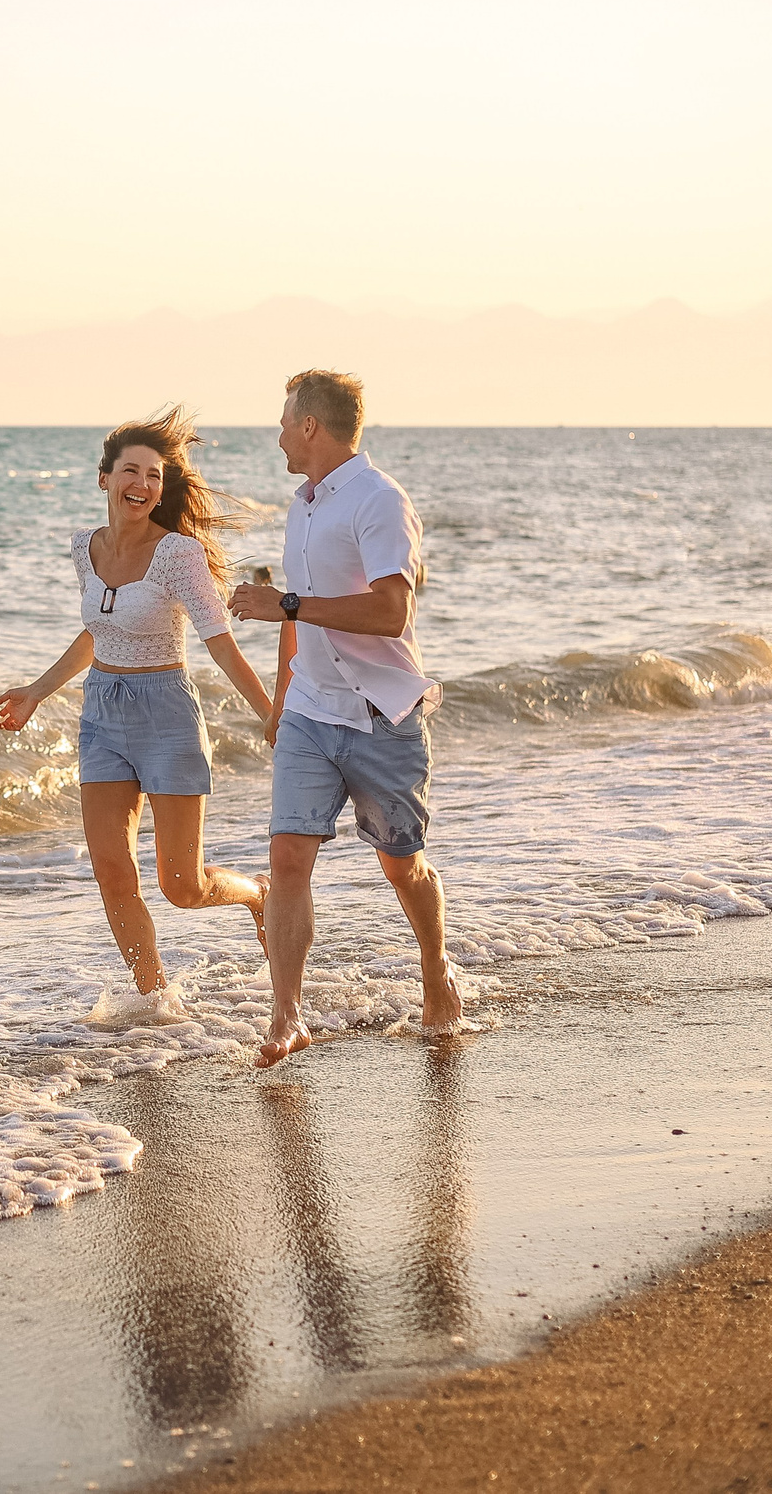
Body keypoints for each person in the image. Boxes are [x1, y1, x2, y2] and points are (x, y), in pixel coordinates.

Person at [0, 409, 274, 998]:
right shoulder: (84, 548)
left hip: (166, 714)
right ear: (105, 478)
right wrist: (37, 692)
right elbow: (101, 630)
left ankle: (259, 893)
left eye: (153, 476)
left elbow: (216, 640)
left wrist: (269, 713)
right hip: (102, 715)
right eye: (130, 471)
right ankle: (155, 1000)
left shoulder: (179, 555)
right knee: (112, 871)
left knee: (182, 885)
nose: (141, 485)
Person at [228, 369, 461, 1063]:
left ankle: (435, 968)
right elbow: (294, 609)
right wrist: (280, 697)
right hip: (308, 710)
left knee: (402, 865)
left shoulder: (380, 501)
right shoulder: (303, 503)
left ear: (310, 426)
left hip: (381, 713)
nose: (276, 437)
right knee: (287, 857)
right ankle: (287, 1015)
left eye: (283, 422)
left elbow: (392, 610)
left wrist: (289, 607)